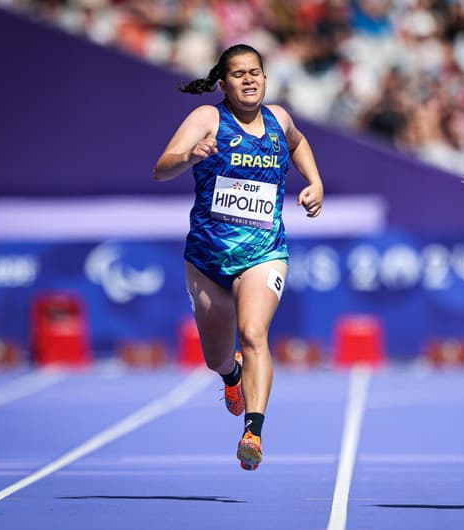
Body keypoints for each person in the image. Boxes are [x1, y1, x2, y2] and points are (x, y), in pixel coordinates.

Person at [153, 44, 324, 471]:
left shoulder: (279, 119)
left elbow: (299, 143)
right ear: (224, 83)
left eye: (256, 72)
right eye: (238, 74)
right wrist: (190, 156)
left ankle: (253, 431)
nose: (249, 80)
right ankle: (231, 376)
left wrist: (315, 182)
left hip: (264, 252)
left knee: (253, 332)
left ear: (266, 78)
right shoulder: (207, 120)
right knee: (216, 356)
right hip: (208, 258)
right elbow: (162, 167)